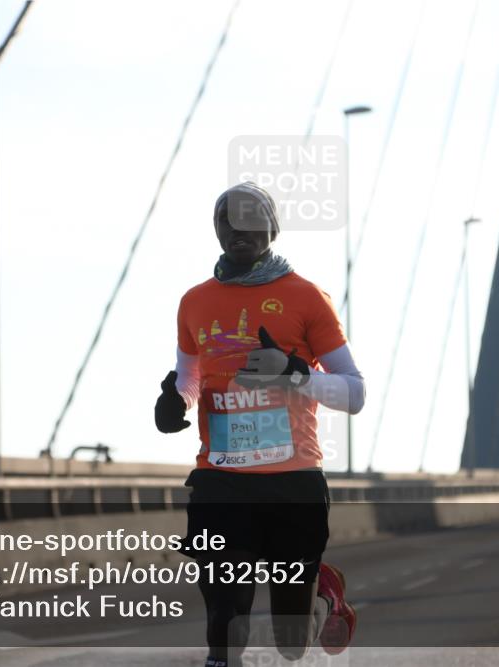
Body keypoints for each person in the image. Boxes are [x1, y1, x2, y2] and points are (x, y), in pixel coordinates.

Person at [154, 182, 366, 666]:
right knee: (224, 621)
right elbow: (191, 376)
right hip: (220, 479)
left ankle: (323, 598)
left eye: (250, 220)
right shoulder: (194, 301)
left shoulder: (307, 297)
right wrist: (175, 401)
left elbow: (353, 393)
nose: (237, 230)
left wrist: (292, 370)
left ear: (271, 226)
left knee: (292, 644)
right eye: (226, 220)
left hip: (292, 483)